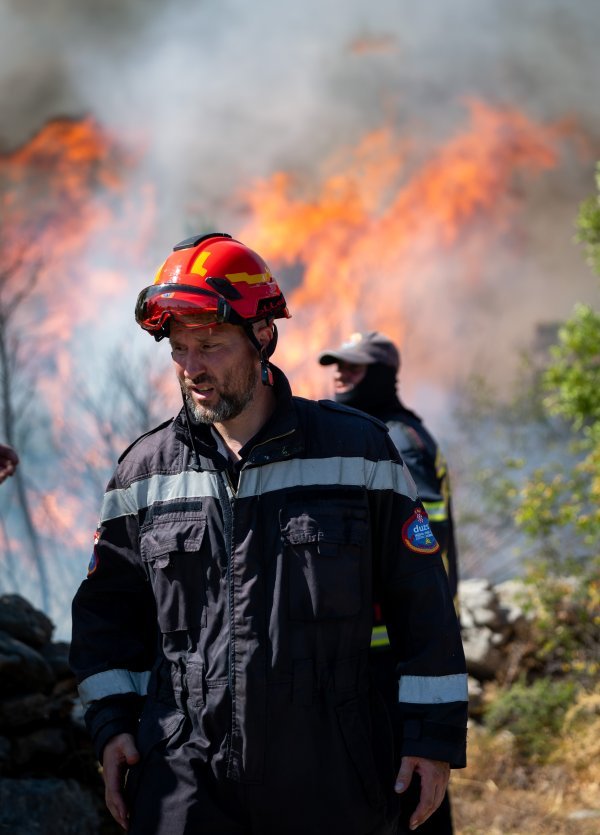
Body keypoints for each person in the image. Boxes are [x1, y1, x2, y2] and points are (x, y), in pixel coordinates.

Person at [70, 233, 468, 835]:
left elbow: (426, 608)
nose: (191, 368)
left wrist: (432, 739)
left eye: (209, 345)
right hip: (184, 782)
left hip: (332, 776)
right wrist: (113, 728)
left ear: (262, 337)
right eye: (179, 349)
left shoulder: (358, 450)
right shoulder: (143, 472)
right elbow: (106, 619)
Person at [318, 331, 460, 835]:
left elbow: (421, 552)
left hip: (393, 665)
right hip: (373, 661)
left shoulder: (399, 441)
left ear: (381, 376)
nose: (339, 375)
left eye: (353, 368)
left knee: (407, 805)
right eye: (336, 366)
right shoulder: (377, 434)